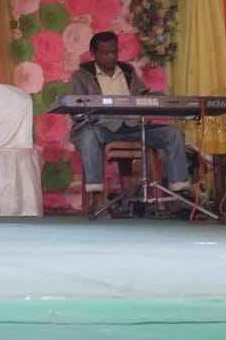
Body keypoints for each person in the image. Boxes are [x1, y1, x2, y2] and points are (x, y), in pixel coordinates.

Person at [70, 31, 190, 213]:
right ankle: (97, 197)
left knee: (172, 134)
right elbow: (76, 109)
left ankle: (177, 195)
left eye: (114, 52)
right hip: (102, 128)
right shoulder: (82, 76)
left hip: (133, 126)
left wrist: (159, 98)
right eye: (105, 53)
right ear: (93, 54)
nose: (111, 57)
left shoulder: (127, 72)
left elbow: (141, 96)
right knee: (88, 136)